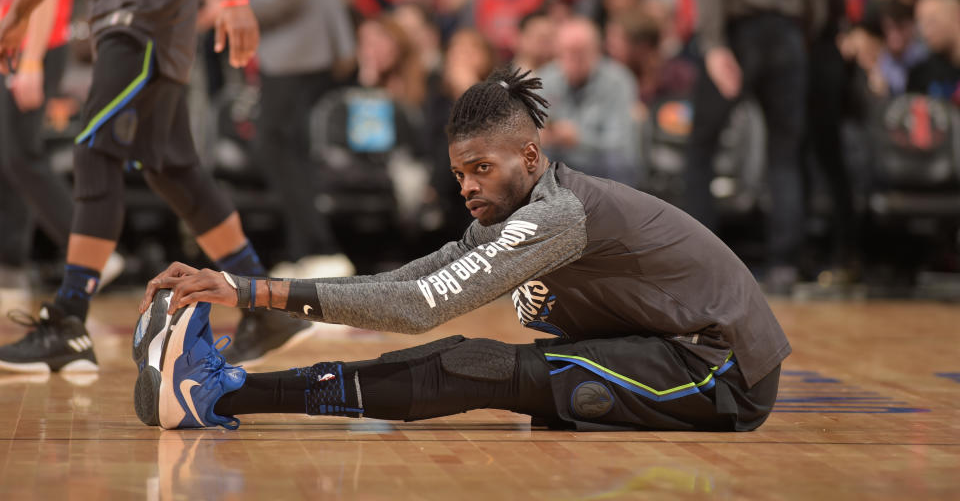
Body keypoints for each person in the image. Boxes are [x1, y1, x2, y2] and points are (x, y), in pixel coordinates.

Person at [134, 68, 789, 434]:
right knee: (476, 364)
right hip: (670, 348)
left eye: (481, 169)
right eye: (459, 175)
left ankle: (219, 393)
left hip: (721, 370)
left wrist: (252, 293)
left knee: (477, 367)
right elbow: (405, 281)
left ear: (529, 156)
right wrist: (246, 286)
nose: (468, 188)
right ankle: (216, 389)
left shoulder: (559, 216)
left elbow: (418, 308)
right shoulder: (517, 211)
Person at [0, 0, 291, 373]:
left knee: (94, 148)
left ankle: (69, 319)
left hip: (150, 20)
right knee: (171, 168)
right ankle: (267, 309)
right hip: (114, 20)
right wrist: (21, 10)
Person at [214, 0, 356, 362]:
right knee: (284, 141)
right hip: (289, 46)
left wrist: (232, 6)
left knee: (275, 140)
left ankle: (321, 249)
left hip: (302, 46)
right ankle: (308, 248)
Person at [683, 0, 827, 293]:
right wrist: (808, 29)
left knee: (701, 149)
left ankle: (702, 266)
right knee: (785, 152)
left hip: (734, 32)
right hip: (787, 30)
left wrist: (713, 43)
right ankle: (784, 264)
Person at [0, 0, 75, 273]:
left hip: (40, 47)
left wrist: (31, 60)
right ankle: (9, 261)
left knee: (22, 156)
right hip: (16, 49)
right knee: (8, 156)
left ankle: (90, 253)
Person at [538, 17, 640, 186]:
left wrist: (578, 139)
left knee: (618, 161)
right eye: (568, 52)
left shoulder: (618, 81)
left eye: (581, 52)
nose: (574, 59)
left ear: (597, 51)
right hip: (558, 164)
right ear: (557, 52)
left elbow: (621, 143)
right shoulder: (545, 80)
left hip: (600, 167)